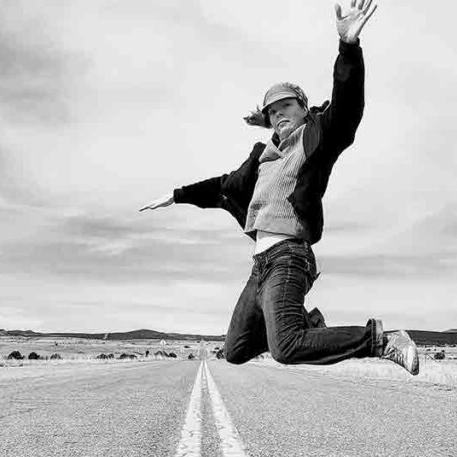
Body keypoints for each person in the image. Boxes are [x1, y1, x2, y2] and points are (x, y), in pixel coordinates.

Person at [139, 0, 418, 375]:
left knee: (286, 347)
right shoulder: (262, 159)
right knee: (235, 350)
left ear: (304, 108)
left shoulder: (316, 137)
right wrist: (177, 195)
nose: (279, 114)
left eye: (287, 106)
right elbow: (222, 187)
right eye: (273, 111)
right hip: (260, 266)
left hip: (290, 256)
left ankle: (382, 340)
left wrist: (348, 47)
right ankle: (304, 323)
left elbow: (348, 105)